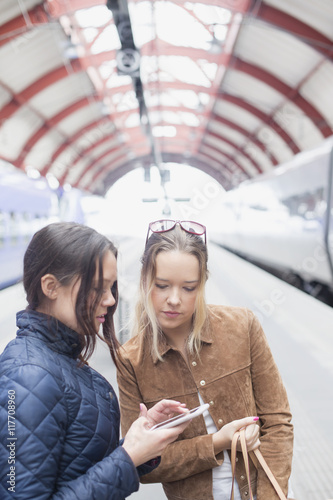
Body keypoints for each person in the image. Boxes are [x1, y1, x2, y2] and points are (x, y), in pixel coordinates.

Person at [0, 221, 190, 500]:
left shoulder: (59, 356)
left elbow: (77, 467)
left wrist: (138, 443)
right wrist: (128, 456)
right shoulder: (28, 375)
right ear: (51, 286)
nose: (111, 300)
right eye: (98, 288)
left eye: (112, 288)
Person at [117, 219, 294, 500]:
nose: (174, 299)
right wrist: (217, 442)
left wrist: (269, 496)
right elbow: (142, 464)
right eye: (162, 285)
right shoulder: (131, 360)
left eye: (189, 288)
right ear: (144, 280)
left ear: (203, 284)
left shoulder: (242, 326)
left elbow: (278, 423)